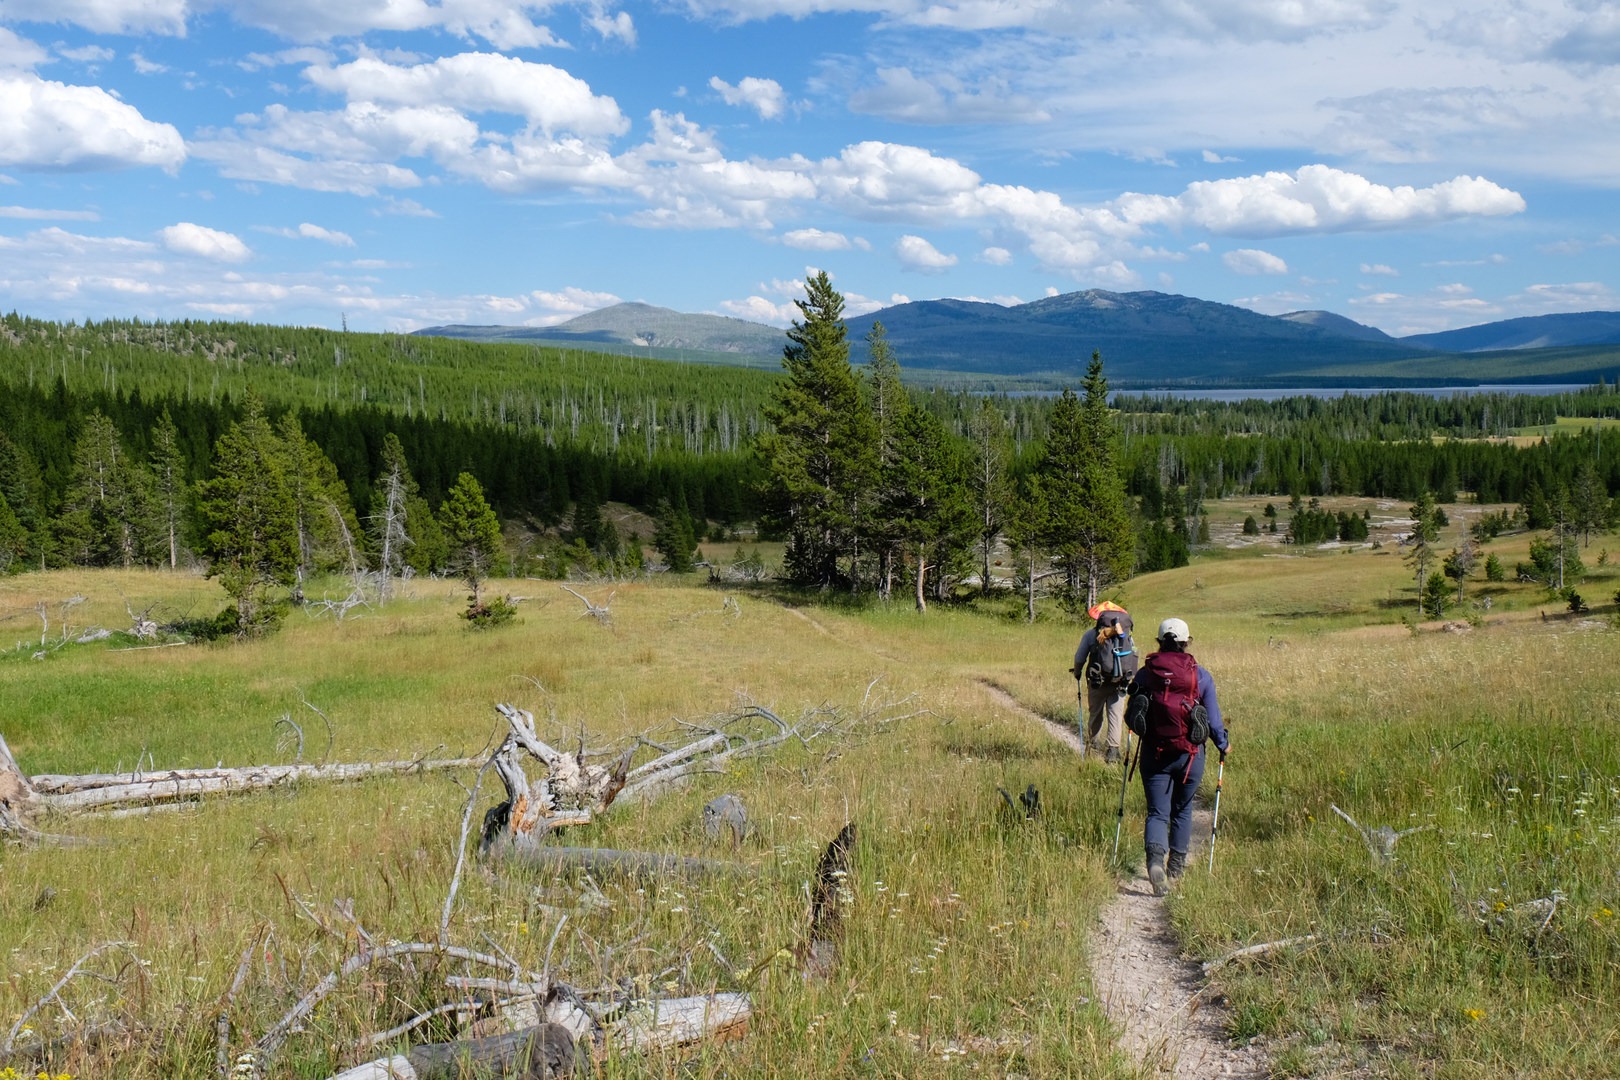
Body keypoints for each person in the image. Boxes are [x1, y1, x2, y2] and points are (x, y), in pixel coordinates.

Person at [1128, 617, 1229, 895]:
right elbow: (1213, 721)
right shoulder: (1200, 675)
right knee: (1183, 810)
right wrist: (1223, 744)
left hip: (1154, 752)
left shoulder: (1146, 673)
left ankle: (1155, 861)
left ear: (1160, 642)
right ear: (1187, 643)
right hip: (1190, 756)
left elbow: (1134, 710)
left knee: (1157, 812)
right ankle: (1176, 868)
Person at [1072, 606, 1136, 764]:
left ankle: (1091, 748)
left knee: (1096, 714)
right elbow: (1132, 656)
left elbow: (1080, 657)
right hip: (1120, 682)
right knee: (1115, 715)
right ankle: (1113, 752)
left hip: (1097, 681)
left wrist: (1077, 672)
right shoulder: (1125, 635)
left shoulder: (1091, 635)